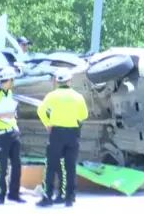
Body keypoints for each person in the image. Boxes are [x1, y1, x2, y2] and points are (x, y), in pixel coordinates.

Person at [36, 68, 88, 207]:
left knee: (51, 165)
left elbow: (40, 110)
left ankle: (47, 196)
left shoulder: (51, 96)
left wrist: (48, 124)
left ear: (57, 82)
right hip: (73, 134)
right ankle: (68, 198)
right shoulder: (78, 97)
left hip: (56, 133)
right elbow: (84, 116)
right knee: (70, 166)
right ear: (69, 81)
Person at [0, 67, 26, 205]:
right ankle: (0, 195)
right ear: (9, 80)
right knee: (1, 166)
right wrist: (5, 115)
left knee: (17, 165)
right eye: (12, 80)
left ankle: (14, 194)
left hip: (13, 132)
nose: (13, 83)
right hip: (1, 135)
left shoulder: (9, 93)